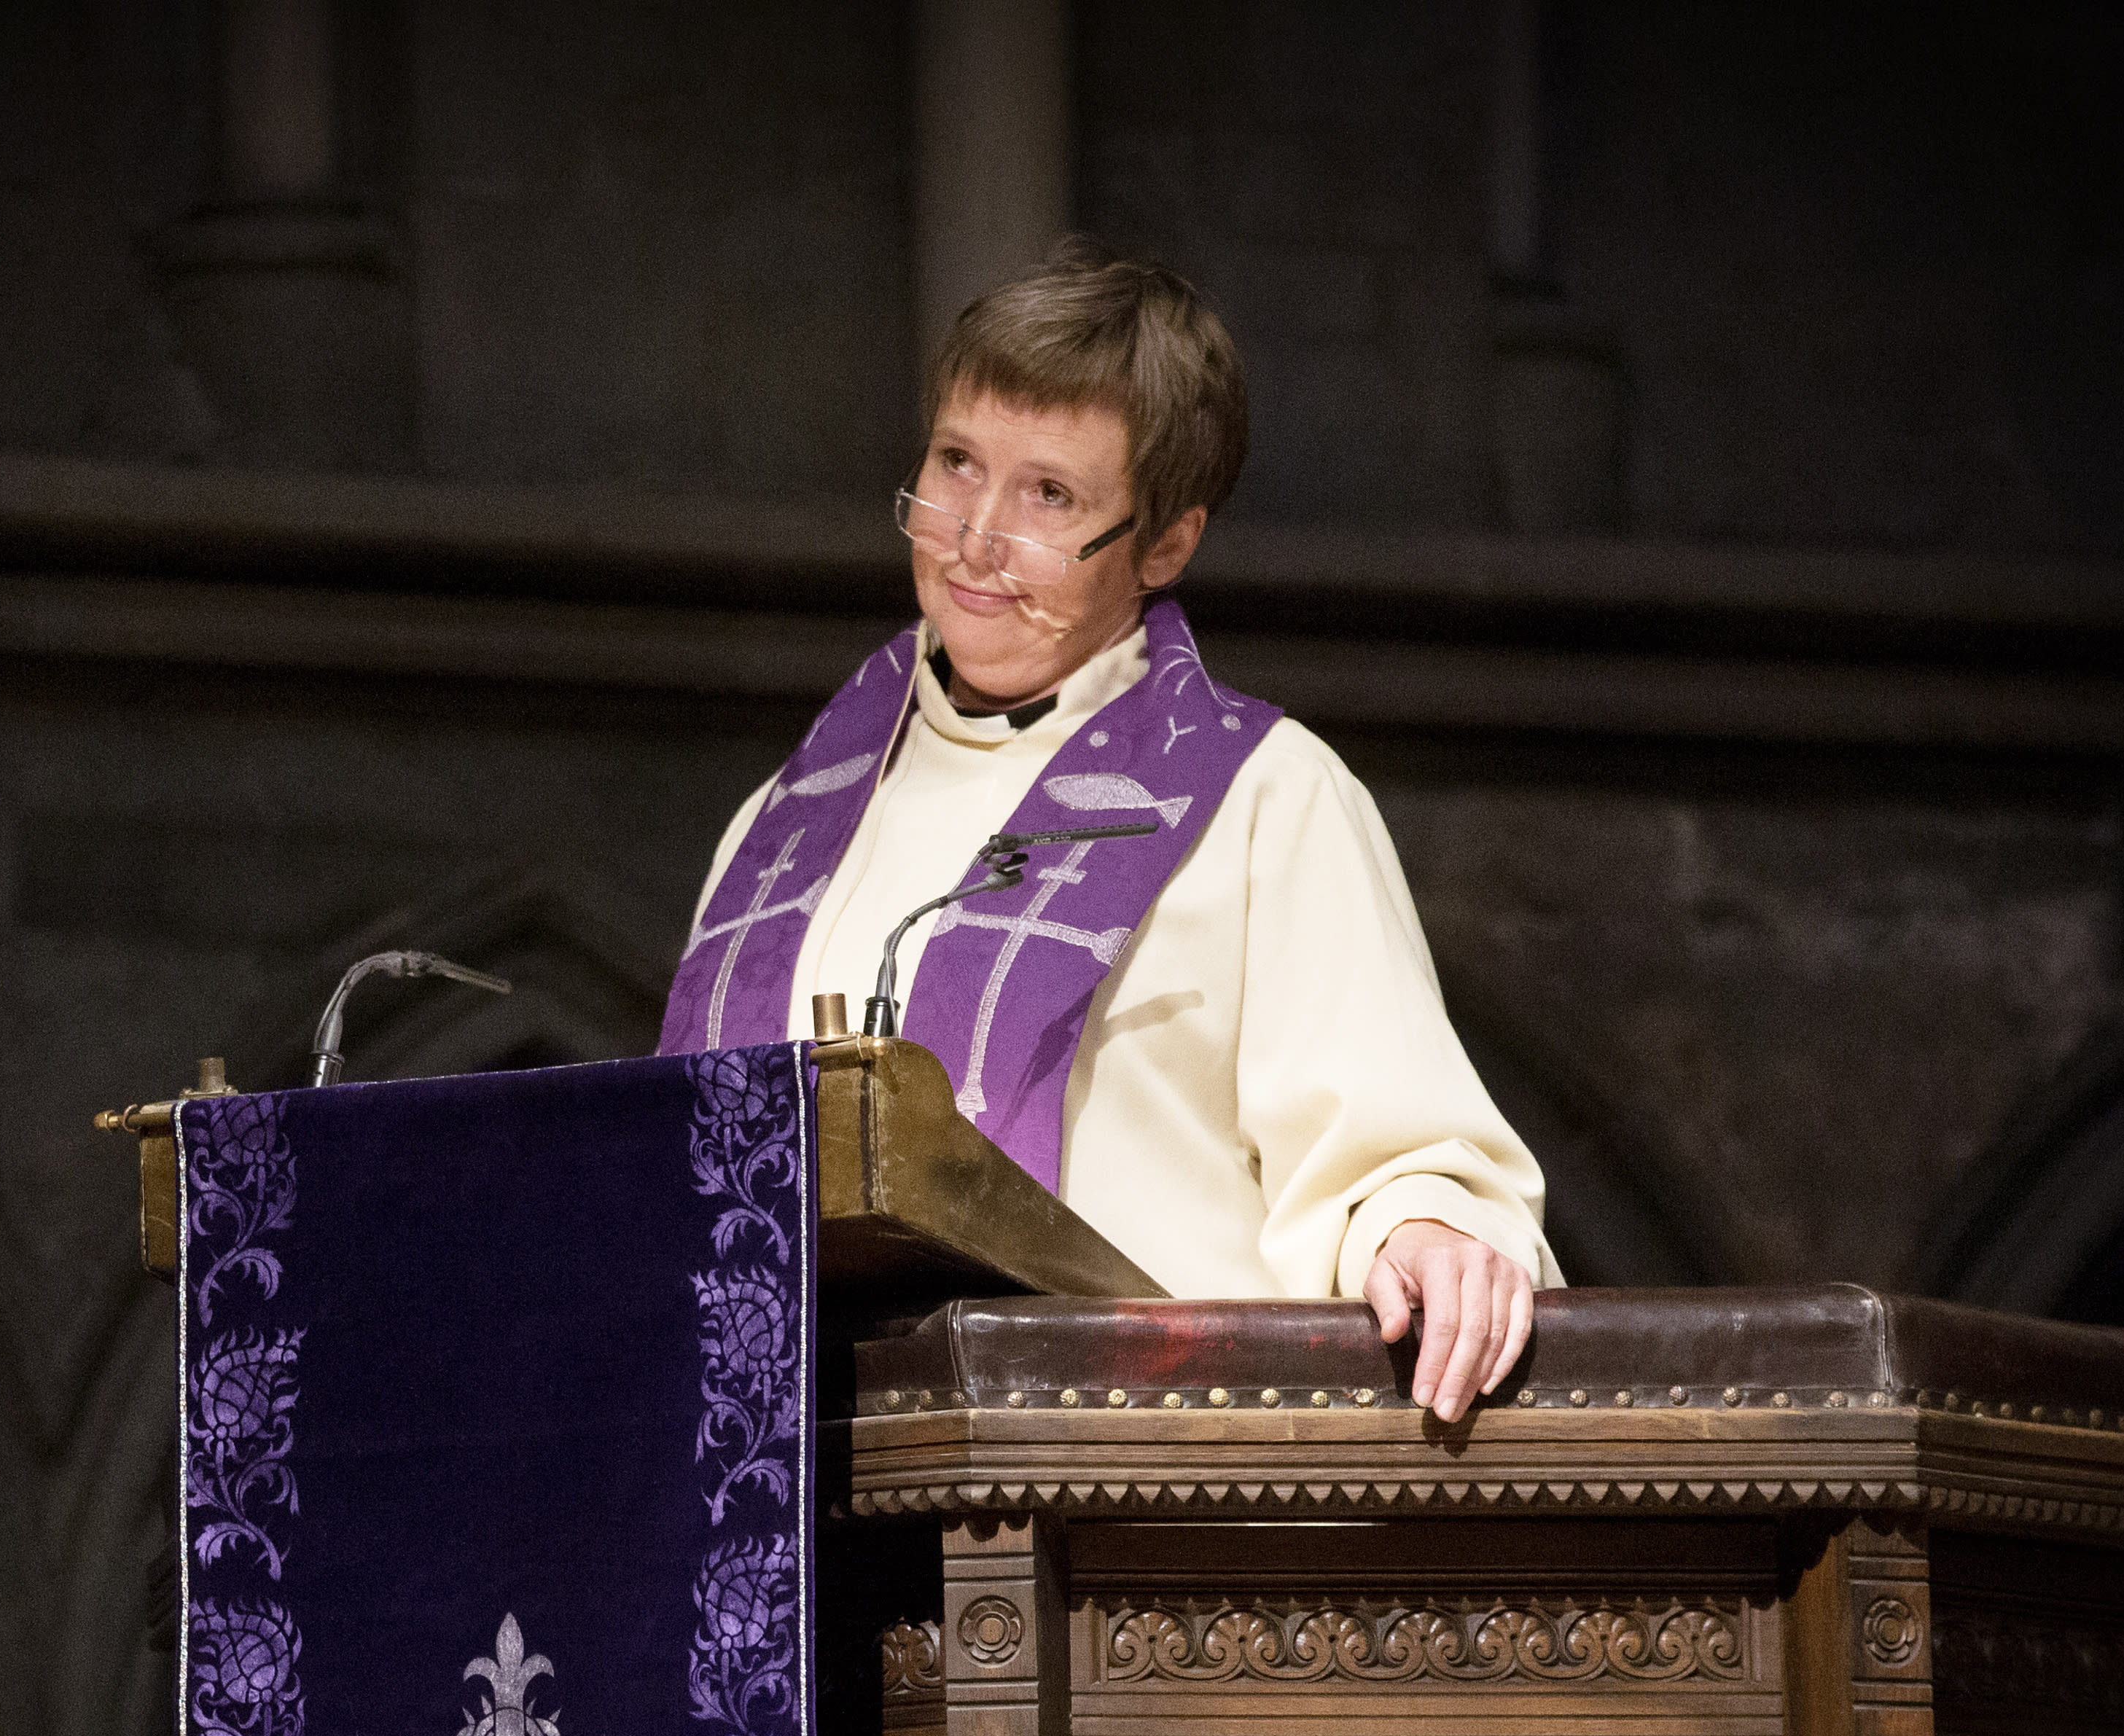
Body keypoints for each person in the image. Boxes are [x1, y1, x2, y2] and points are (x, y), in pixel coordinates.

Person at [654, 238, 1553, 1423]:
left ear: (1165, 546)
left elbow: (1396, 1155)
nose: (974, 538)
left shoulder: (1265, 800)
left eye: (1050, 497)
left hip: (1135, 1481)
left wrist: (1425, 1228)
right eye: (956, 464)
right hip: (802, 1475)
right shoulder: (787, 824)